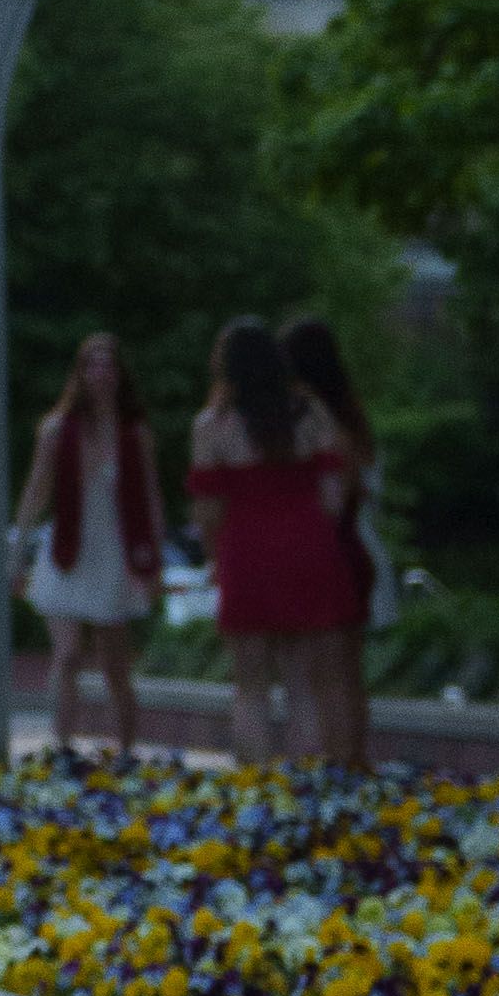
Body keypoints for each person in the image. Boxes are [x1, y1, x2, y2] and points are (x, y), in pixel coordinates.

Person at [190, 314, 363, 769]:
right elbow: (333, 493)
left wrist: (217, 555)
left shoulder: (213, 424)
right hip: (307, 543)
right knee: (301, 676)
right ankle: (306, 775)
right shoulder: (309, 413)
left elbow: (208, 509)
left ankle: (256, 779)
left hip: (247, 549)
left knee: (250, 682)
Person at [12, 329, 160, 758]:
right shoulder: (57, 430)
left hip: (115, 553)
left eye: (108, 364)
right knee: (68, 652)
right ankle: (60, 745)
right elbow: (36, 491)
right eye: (91, 364)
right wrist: (16, 553)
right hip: (67, 550)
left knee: (116, 663)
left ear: (119, 374)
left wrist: (154, 563)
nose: (100, 373)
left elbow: (150, 497)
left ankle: (127, 750)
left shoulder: (134, 433)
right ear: (79, 373)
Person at [279, 311, 386, 771]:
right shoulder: (351, 419)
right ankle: (352, 757)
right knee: (347, 668)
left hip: (330, 545)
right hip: (359, 544)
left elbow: (333, 497)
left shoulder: (317, 423)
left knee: (325, 668)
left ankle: (336, 759)